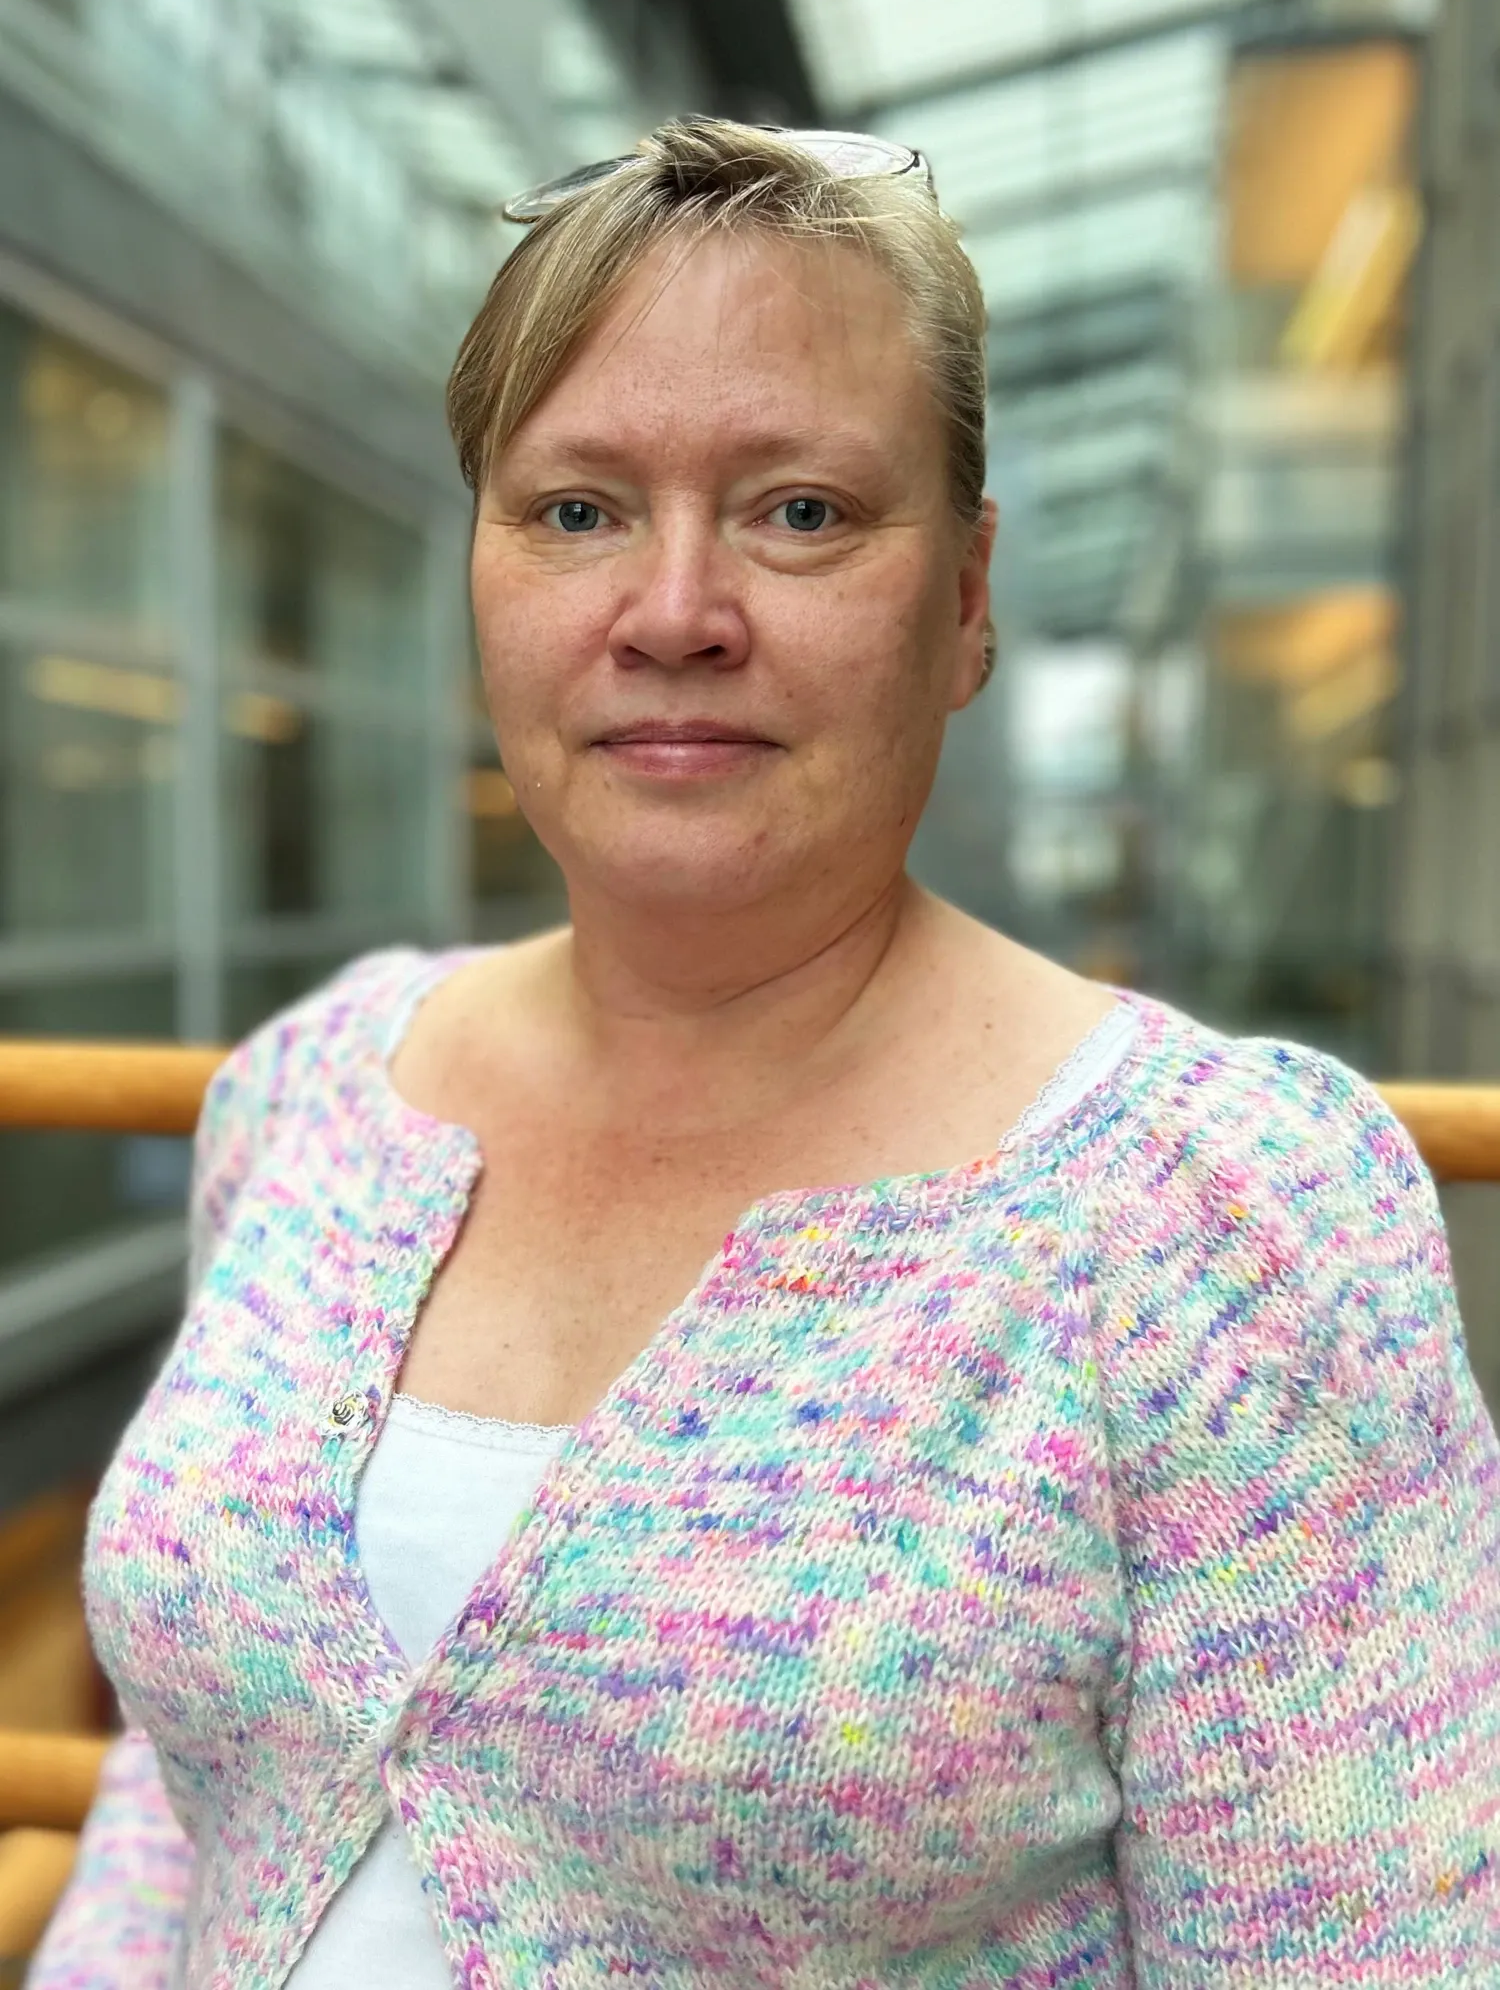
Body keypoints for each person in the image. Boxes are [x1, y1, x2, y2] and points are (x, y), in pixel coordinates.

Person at [29, 117, 1500, 1990]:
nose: (672, 616)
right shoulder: (314, 1098)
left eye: (800, 512)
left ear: (965, 601)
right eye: (576, 511)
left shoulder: (1219, 1225)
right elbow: (191, 1774)